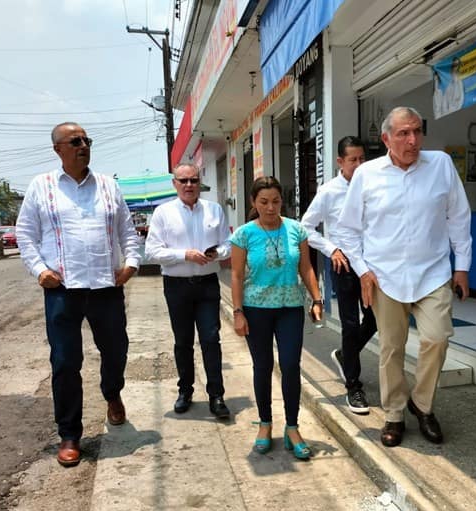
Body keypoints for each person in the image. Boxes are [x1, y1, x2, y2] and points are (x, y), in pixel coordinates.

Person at [337, 107, 472, 447]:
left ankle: (422, 404)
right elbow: (348, 230)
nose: (413, 140)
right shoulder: (367, 174)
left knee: (437, 337)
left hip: (433, 272)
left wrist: (462, 267)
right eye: (403, 134)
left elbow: (459, 217)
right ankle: (395, 414)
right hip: (386, 277)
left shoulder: (440, 164)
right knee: (391, 348)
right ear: (386, 139)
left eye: (417, 131)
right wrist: (363, 271)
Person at [16, 122, 140, 467]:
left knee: (116, 351)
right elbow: (25, 235)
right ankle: (70, 434)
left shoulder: (108, 186)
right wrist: (40, 270)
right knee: (66, 362)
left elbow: (127, 231)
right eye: (75, 141)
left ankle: (112, 393)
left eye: (87, 140)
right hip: (63, 289)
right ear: (58, 149)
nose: (83, 145)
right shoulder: (41, 187)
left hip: (105, 287)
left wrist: (130, 264)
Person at [231, 176, 323, 459]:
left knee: (291, 366)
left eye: (275, 201)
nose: (270, 208)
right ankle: (265, 424)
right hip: (256, 309)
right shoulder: (244, 234)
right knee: (262, 366)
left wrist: (317, 298)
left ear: (282, 201)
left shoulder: (296, 230)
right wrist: (238, 312)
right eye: (263, 202)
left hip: (290, 307)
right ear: (253, 203)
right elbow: (235, 275)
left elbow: (306, 268)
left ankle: (292, 427)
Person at [145, 163, 231, 419]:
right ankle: (185, 391)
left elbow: (228, 244)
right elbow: (152, 252)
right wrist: (185, 255)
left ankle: (216, 395)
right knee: (183, 342)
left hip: (207, 285)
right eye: (183, 181)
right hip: (177, 286)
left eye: (193, 180)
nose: (189, 185)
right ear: (175, 184)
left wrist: (218, 252)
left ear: (199, 182)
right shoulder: (163, 213)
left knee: (210, 340)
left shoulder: (214, 210)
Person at [300, 136, 376, 415]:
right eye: (352, 160)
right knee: (350, 323)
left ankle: (346, 354)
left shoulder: (373, 185)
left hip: (373, 265)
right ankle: (353, 387)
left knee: (376, 319)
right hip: (344, 265)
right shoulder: (329, 191)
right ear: (340, 162)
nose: (358, 164)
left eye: (361, 159)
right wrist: (331, 249)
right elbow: (305, 227)